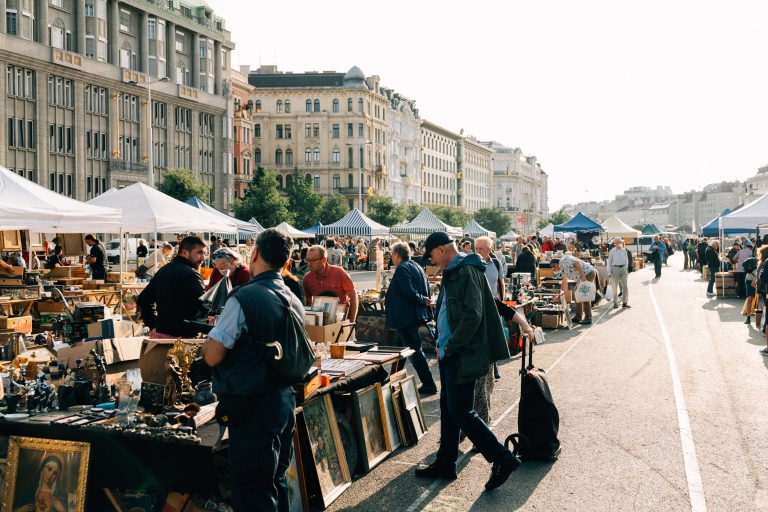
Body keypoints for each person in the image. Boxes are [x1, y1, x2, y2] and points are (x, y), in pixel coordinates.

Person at [202, 228, 301, 511]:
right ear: (286, 260)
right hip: (282, 399)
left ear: (254, 253)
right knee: (275, 480)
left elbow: (212, 355)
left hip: (252, 404)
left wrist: (207, 342)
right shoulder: (291, 295)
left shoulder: (244, 297)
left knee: (252, 491)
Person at [414, 232, 521, 491]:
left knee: (460, 410)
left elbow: (473, 315)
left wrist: (450, 345)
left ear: (441, 250)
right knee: (450, 408)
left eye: (431, 256)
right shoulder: (457, 269)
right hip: (452, 351)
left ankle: (502, 458)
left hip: (461, 353)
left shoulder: (465, 270)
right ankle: (445, 463)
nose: (432, 262)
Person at [387, 242, 438, 395]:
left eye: (392, 255)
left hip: (407, 316)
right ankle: (392, 380)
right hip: (411, 315)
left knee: (415, 351)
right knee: (400, 349)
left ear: (397, 254)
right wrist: (424, 300)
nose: (391, 258)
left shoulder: (403, 267)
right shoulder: (416, 266)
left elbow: (408, 290)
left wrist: (423, 300)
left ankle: (429, 384)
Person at [137, 235, 207, 338]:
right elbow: (203, 306)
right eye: (199, 253)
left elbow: (143, 299)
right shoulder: (190, 274)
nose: (203, 258)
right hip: (182, 339)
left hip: (161, 335)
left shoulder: (164, 270)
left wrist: (153, 325)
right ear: (184, 252)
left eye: (204, 253)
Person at [303, 245, 358, 322]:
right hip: (320, 322)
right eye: (308, 260)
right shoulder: (307, 278)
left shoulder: (339, 272)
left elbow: (353, 297)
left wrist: (351, 322)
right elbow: (308, 302)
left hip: (342, 321)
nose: (309, 264)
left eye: (313, 260)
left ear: (324, 260)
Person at [551, 255, 598, 324]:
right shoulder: (563, 268)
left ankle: (588, 318)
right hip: (583, 276)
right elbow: (564, 281)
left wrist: (582, 276)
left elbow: (576, 262)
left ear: (555, 264)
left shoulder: (563, 261)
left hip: (587, 273)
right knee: (577, 295)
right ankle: (578, 316)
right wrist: (559, 295)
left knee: (584, 295)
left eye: (553, 267)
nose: (555, 269)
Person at [607, 237, 630, 309]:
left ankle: (625, 302)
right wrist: (609, 272)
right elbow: (609, 262)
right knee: (615, 286)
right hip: (615, 268)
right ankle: (615, 302)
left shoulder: (624, 250)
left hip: (623, 268)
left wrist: (625, 267)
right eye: (620, 242)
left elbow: (627, 260)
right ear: (615, 243)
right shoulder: (612, 251)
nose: (621, 243)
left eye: (621, 242)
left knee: (625, 285)